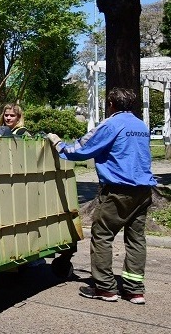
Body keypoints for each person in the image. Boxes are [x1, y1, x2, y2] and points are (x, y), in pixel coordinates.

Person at [46, 87, 156, 305]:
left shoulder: (111, 124)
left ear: (111, 104)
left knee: (102, 235)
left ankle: (105, 288)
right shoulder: (140, 125)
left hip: (118, 190)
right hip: (143, 191)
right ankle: (134, 290)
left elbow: (82, 149)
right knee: (136, 239)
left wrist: (58, 144)